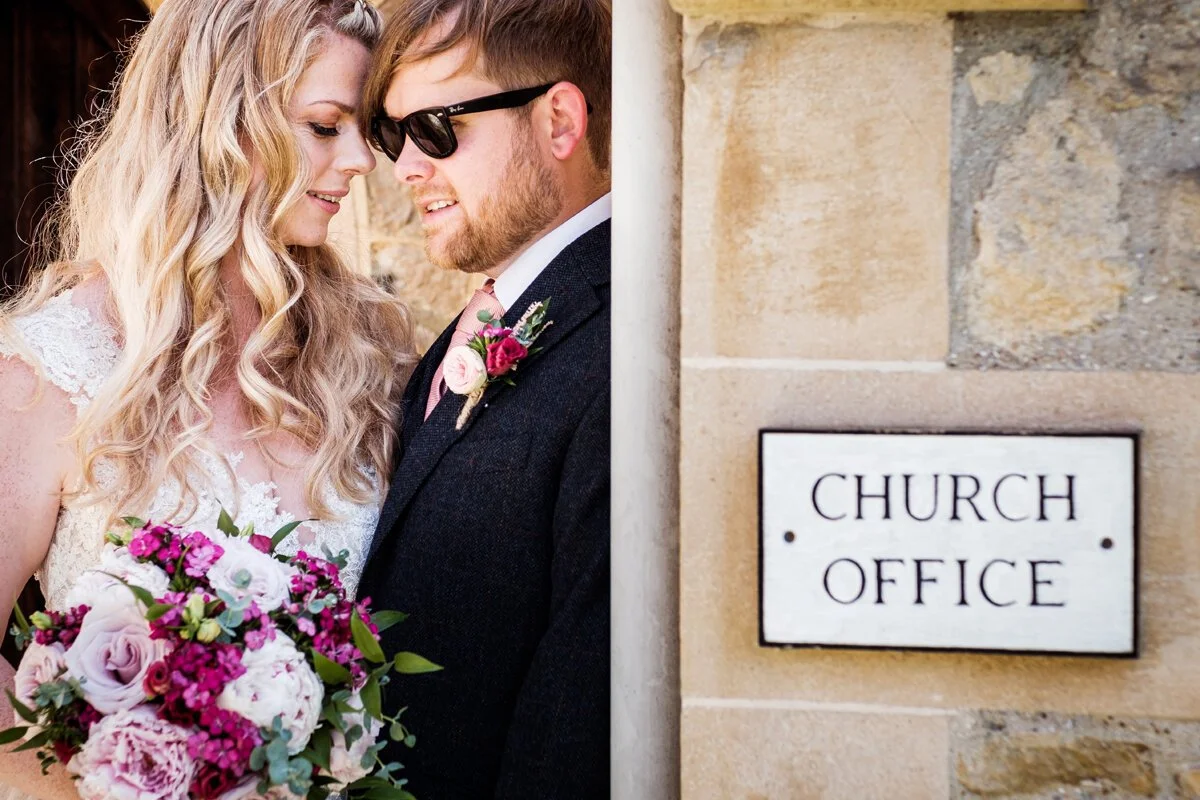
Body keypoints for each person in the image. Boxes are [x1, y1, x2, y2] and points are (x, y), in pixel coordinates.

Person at [0, 1, 414, 797]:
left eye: (365, 129)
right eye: (327, 126)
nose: (364, 160)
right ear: (220, 127)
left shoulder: (370, 361)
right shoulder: (55, 368)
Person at [357, 0, 612, 797]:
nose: (405, 169)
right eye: (394, 138)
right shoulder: (497, 310)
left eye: (434, 129)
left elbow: (579, 706)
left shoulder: (623, 342)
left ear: (559, 121)